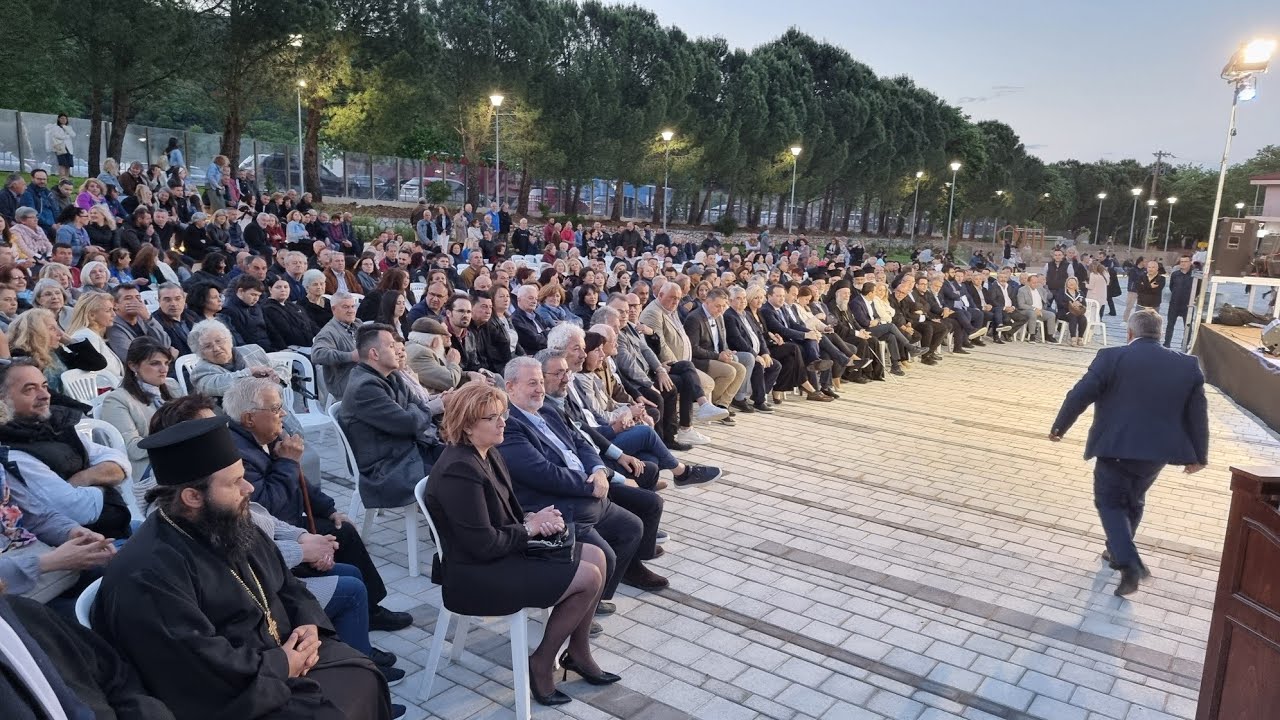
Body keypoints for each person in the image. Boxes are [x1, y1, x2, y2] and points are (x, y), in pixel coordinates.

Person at [91, 416, 395, 720]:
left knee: (362, 671)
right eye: (235, 482)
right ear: (192, 497)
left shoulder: (227, 524)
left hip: (278, 653)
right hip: (231, 691)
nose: (249, 488)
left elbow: (287, 585)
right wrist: (282, 664)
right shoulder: (148, 575)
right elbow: (194, 664)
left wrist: (309, 626)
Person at [427, 376, 616, 707]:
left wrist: (533, 519)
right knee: (589, 577)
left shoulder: (487, 452)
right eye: (493, 417)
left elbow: (504, 517)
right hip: (477, 572)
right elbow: (482, 544)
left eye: (503, 414)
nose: (504, 422)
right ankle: (541, 662)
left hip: (501, 552)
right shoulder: (459, 470)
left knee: (597, 556)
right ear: (468, 426)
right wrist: (531, 529)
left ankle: (578, 651)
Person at [223, 376, 413, 634]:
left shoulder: (263, 438)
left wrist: (329, 509)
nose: (283, 414)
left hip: (288, 524)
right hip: (273, 537)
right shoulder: (239, 453)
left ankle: (371, 610)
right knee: (340, 546)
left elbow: (300, 483)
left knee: (344, 529)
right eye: (276, 408)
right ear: (249, 419)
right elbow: (266, 507)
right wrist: (288, 463)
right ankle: (356, 613)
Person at [1049, 311, 1209, 597]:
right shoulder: (1187, 366)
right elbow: (1198, 415)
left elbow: (1080, 394)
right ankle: (1115, 550)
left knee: (1109, 503)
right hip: (1156, 454)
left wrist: (1060, 426)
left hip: (1116, 447)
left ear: (1130, 333)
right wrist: (1199, 456)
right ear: (1159, 333)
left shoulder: (1112, 357)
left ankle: (1129, 563)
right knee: (1134, 500)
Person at [499, 357, 652, 613]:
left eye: (540, 382)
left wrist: (598, 471)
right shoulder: (510, 426)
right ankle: (577, 611)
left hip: (589, 491)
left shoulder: (547, 409)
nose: (539, 389)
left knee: (633, 528)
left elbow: (580, 442)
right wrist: (589, 484)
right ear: (510, 386)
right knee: (606, 556)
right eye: (532, 383)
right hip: (558, 506)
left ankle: (593, 599)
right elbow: (543, 474)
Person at [0, 361, 133, 541]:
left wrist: (84, 478)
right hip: (90, 545)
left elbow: (120, 461)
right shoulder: (12, 452)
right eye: (29, 389)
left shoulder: (57, 424)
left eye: (45, 386)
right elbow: (79, 510)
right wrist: (108, 485)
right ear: (2, 399)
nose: (45, 395)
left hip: (120, 524)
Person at [337, 324, 442, 510]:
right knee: (454, 478)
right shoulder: (365, 387)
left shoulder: (392, 376)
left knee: (466, 459)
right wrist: (423, 409)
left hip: (409, 449)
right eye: (391, 346)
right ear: (374, 354)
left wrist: (412, 410)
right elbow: (409, 424)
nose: (398, 351)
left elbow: (415, 407)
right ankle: (450, 534)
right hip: (388, 467)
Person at [98, 337, 181, 488]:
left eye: (166, 363)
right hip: (148, 467)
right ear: (133, 366)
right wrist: (176, 439)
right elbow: (132, 449)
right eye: (155, 363)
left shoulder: (172, 386)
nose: (164, 369)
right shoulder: (117, 399)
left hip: (180, 455)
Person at [312, 292, 360, 401]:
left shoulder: (358, 325)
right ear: (334, 309)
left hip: (363, 379)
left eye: (353, 306)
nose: (351, 310)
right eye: (345, 307)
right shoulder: (328, 332)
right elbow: (317, 354)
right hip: (346, 386)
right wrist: (350, 356)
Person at [66, 291, 125, 378]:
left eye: (113, 310)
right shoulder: (85, 336)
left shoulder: (91, 334)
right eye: (108, 310)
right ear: (92, 315)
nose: (114, 314)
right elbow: (94, 373)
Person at [1164, 255, 1195, 349]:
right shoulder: (1175, 274)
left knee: (1188, 327)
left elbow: (1198, 289)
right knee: (1170, 325)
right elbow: (1171, 287)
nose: (1183, 263)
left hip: (1188, 305)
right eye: (1181, 261)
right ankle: (1166, 344)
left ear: (1190, 263)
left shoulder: (1194, 275)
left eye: (1185, 261)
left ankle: (1184, 345)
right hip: (1174, 304)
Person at [1016, 274, 1057, 342]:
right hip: (1026, 310)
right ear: (1028, 282)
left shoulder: (1040, 289)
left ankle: (1050, 335)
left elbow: (1047, 297)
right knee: (1032, 313)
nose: (1036, 284)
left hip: (1040, 310)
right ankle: (1032, 335)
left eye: (1037, 282)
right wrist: (1034, 309)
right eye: (1033, 283)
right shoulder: (1022, 290)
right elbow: (1021, 305)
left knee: (1051, 315)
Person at [1061, 276, 1089, 346]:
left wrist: (1079, 305)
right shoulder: (1062, 292)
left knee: (1083, 318)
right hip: (1065, 312)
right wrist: (1070, 304)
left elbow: (1084, 304)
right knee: (1072, 317)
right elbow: (1059, 303)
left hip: (1077, 312)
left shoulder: (1080, 293)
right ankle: (1073, 338)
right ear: (1066, 283)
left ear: (1076, 284)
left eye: (1073, 282)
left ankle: (1080, 338)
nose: (1071, 283)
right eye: (1069, 282)